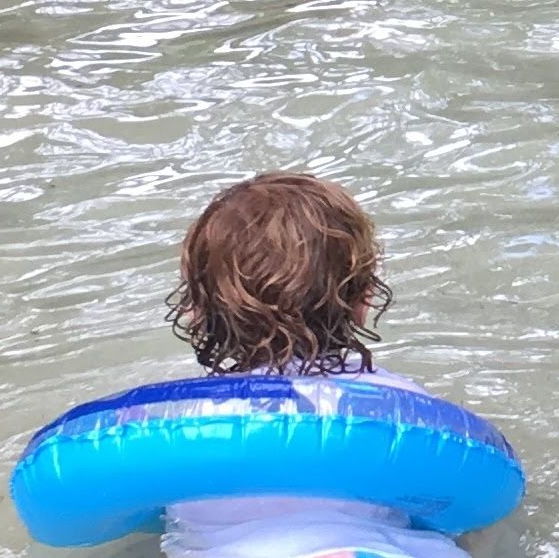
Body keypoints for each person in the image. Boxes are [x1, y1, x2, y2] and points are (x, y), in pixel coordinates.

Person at [156, 173, 471, 558]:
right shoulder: (401, 406)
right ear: (364, 298)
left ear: (197, 312)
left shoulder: (177, 428)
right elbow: (460, 503)